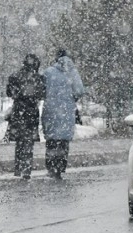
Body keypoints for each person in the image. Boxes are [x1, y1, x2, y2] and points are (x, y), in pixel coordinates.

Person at [42, 49, 86, 180]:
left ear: (56, 58)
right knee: (63, 141)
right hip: (67, 110)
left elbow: (41, 89)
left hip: (51, 110)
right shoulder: (73, 73)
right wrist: (70, 99)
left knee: (51, 140)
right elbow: (79, 90)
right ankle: (60, 167)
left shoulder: (49, 72)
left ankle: (51, 167)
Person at [6, 53, 46, 180]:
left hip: (18, 111)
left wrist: (18, 96)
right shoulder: (38, 78)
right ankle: (27, 168)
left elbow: (9, 92)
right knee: (28, 141)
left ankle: (17, 167)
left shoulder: (15, 76)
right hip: (32, 112)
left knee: (19, 140)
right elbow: (42, 94)